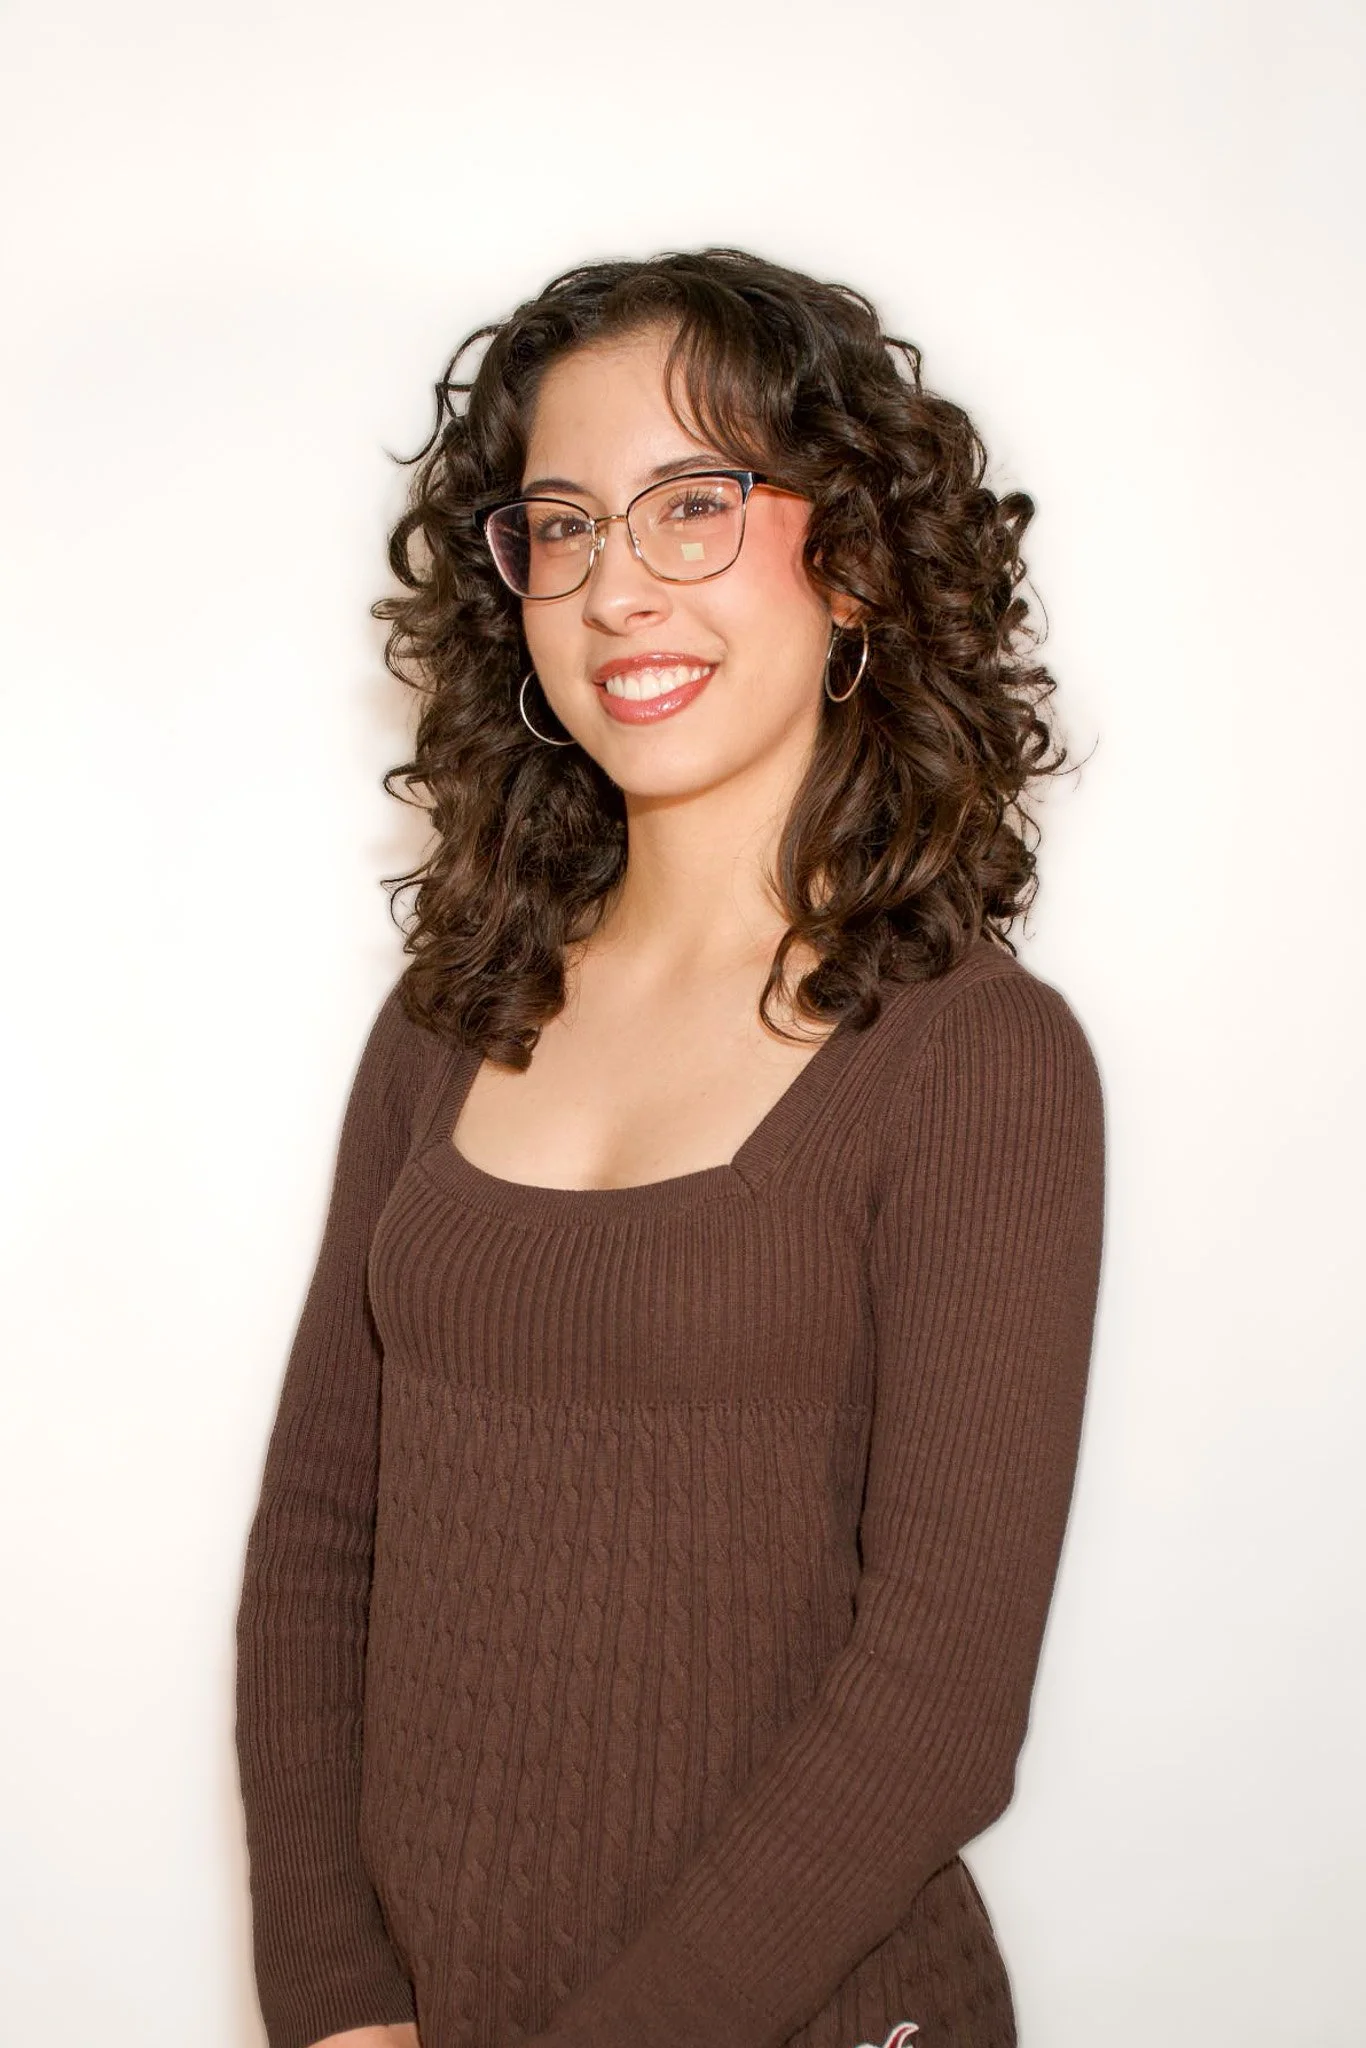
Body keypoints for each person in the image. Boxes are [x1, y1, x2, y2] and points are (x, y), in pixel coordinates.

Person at [233, 247, 1106, 2048]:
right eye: (560, 526)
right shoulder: (451, 1014)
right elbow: (321, 1534)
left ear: (852, 560)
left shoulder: (971, 1062)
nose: (616, 585)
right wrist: (334, 2000)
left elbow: (936, 1699)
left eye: (693, 505)